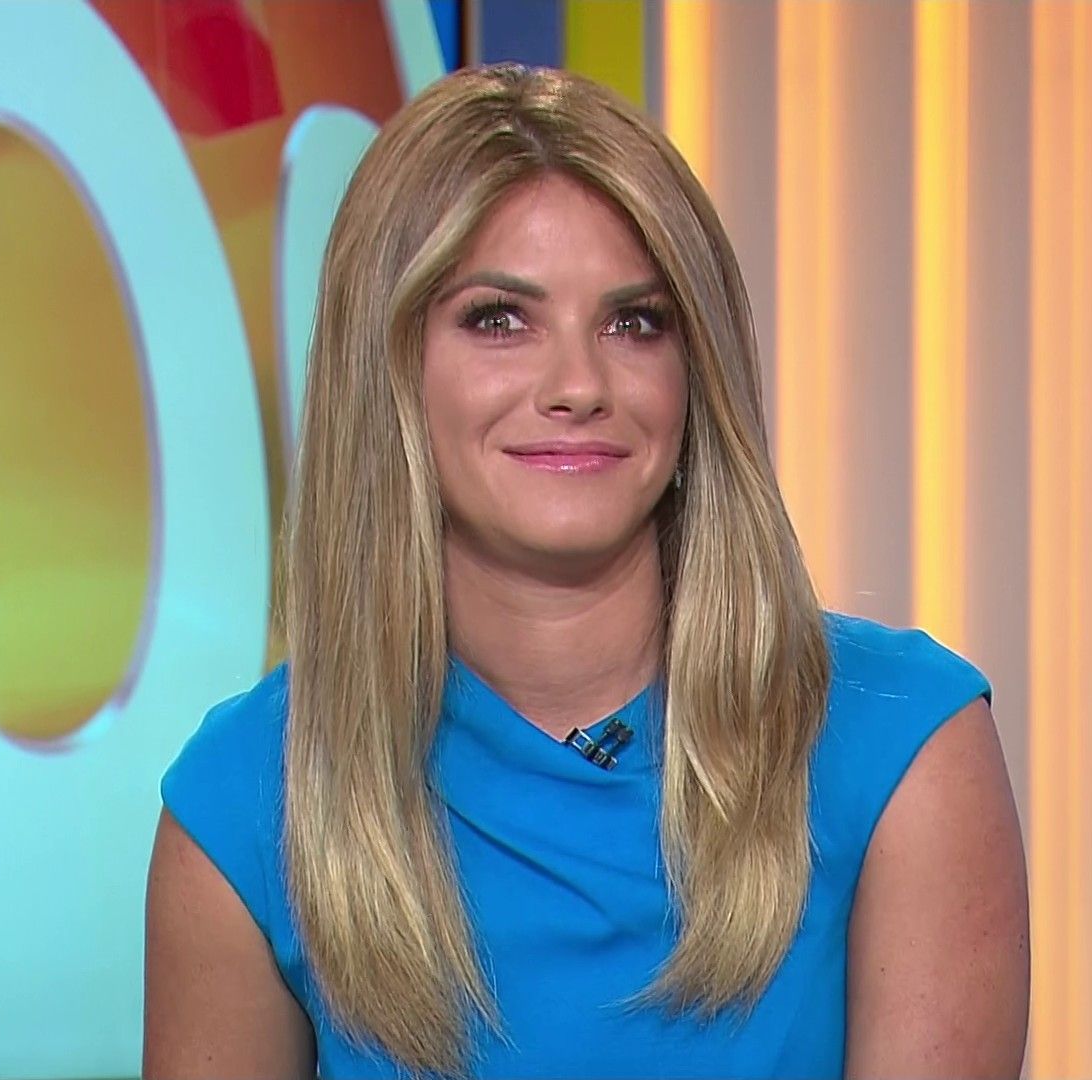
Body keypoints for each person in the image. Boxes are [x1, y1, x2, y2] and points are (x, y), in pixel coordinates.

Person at [143, 63, 1029, 1079]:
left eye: (635, 323)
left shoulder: (901, 747)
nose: (578, 384)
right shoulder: (248, 800)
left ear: (696, 375)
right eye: (499, 319)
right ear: (387, 370)